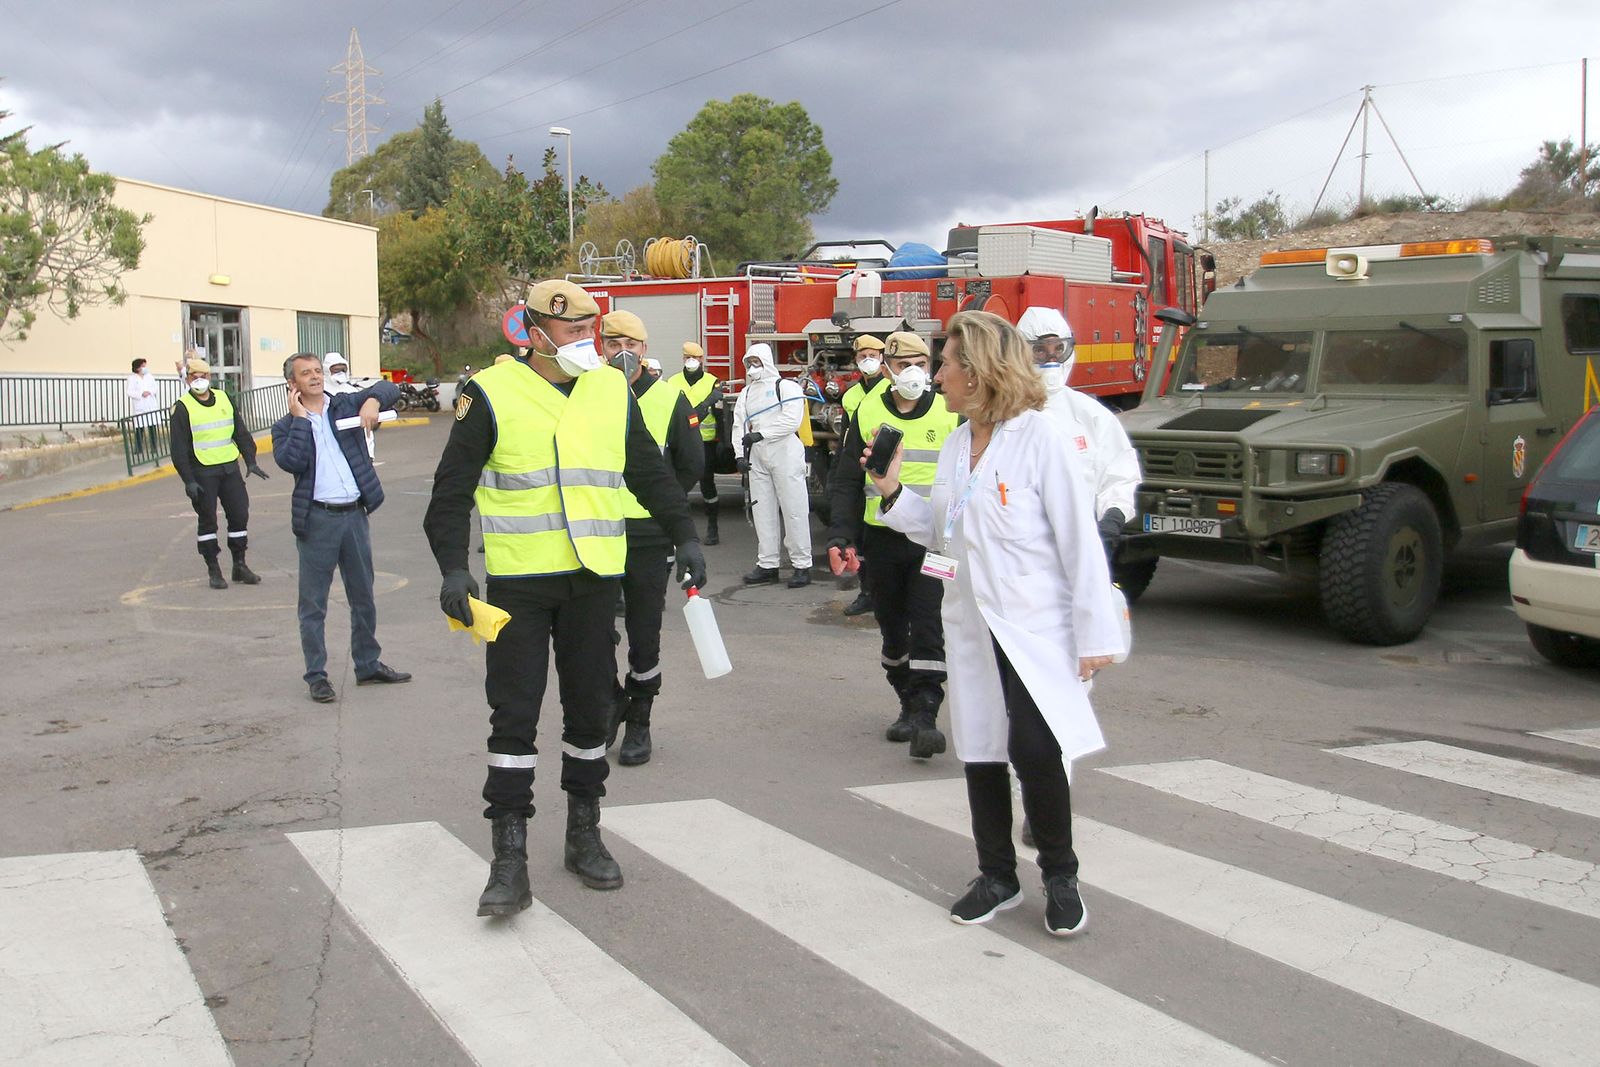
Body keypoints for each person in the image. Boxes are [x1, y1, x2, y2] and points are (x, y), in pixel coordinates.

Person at [424, 279, 707, 916]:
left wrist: (685, 534)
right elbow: (451, 492)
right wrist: (453, 570)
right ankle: (509, 859)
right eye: (575, 332)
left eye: (591, 330)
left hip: (593, 579)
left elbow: (647, 470)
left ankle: (584, 833)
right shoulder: (489, 392)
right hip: (520, 585)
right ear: (537, 333)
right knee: (513, 717)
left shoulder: (610, 388)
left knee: (590, 712)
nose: (589, 342)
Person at [865, 310, 1126, 938]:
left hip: (1036, 626)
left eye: (945, 364)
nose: (936, 376)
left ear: (979, 372)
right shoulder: (959, 444)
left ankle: (1060, 877)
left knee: (1034, 749)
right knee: (980, 748)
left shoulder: (1042, 440)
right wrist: (892, 491)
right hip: (973, 621)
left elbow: (1080, 542)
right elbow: (943, 529)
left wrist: (1095, 635)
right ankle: (997, 876)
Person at [827, 331, 959, 759]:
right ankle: (907, 699)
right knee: (892, 628)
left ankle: (926, 714)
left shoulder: (948, 409)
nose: (913, 373)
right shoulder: (868, 409)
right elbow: (847, 480)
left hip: (933, 543)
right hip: (882, 538)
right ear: (887, 369)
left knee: (928, 623)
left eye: (921, 364)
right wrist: (841, 536)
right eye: (903, 366)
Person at [271, 353, 411, 704]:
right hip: (318, 520)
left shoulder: (344, 404)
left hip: (354, 515)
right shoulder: (285, 427)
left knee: (363, 596)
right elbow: (292, 461)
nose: (315, 377)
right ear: (292, 384)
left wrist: (373, 401)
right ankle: (317, 676)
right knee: (313, 604)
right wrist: (301, 420)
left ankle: (367, 664)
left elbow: (390, 389)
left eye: (317, 371)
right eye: (306, 373)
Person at [599, 310, 703, 766]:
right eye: (612, 344)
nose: (621, 352)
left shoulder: (669, 398)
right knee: (594, 634)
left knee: (644, 634)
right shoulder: (588, 394)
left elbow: (691, 464)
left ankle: (639, 721)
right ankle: (612, 699)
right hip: (598, 532)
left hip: (647, 535)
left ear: (644, 349)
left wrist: (668, 513)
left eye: (630, 344)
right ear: (601, 348)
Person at [1016, 307, 1140, 559]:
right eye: (1040, 350)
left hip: (1078, 547)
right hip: (1018, 550)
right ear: (1021, 352)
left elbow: (1119, 474)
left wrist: (1113, 518)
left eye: (1058, 349)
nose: (1051, 358)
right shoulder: (1005, 412)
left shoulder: (1090, 414)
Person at [169, 356, 269, 590]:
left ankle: (239, 564)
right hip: (202, 471)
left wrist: (250, 460)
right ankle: (213, 569)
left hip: (229, 468)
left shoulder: (224, 398)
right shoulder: (182, 407)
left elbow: (240, 432)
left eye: (203, 376)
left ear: (210, 377)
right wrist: (188, 480)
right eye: (194, 376)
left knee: (239, 514)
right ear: (187, 379)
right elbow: (178, 450)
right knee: (208, 520)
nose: (199, 380)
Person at [732, 343, 813, 588]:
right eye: (749, 362)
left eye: (756, 362)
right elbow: (739, 424)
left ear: (766, 361)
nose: (752, 367)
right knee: (762, 510)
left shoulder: (786, 387)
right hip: (758, 455)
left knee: (794, 509)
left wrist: (762, 434)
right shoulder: (746, 393)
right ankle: (768, 564)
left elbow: (792, 420)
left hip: (784, 452)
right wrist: (739, 456)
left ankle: (802, 564)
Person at [840, 335, 890, 616]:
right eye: (862, 356)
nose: (867, 360)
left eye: (873, 355)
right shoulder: (850, 396)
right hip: (856, 469)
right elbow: (845, 436)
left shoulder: (891, 388)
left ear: (882, 358)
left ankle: (886, 593)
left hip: (885, 473)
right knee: (859, 537)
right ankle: (866, 591)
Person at [665, 341, 725, 545]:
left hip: (705, 442)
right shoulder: (672, 381)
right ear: (683, 359)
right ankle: (679, 530)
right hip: (680, 441)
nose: (692, 361)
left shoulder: (712, 381)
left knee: (707, 483)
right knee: (677, 485)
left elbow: (719, 415)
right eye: (688, 357)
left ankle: (712, 526)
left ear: (702, 359)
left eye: (696, 358)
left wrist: (723, 441)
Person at [320, 352, 377, 461]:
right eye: (336, 370)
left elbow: (365, 427)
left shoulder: (352, 391)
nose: (340, 373)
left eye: (342, 370)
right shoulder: (321, 391)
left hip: (355, 445)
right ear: (327, 370)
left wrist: (369, 452)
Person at [125, 358, 161, 452]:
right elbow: (129, 392)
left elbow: (155, 388)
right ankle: (138, 448)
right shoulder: (132, 378)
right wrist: (141, 393)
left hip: (150, 404)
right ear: (137, 368)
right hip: (140, 405)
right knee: (139, 428)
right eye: (143, 366)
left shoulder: (149, 377)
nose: (145, 368)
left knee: (152, 427)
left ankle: (154, 448)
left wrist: (149, 392)